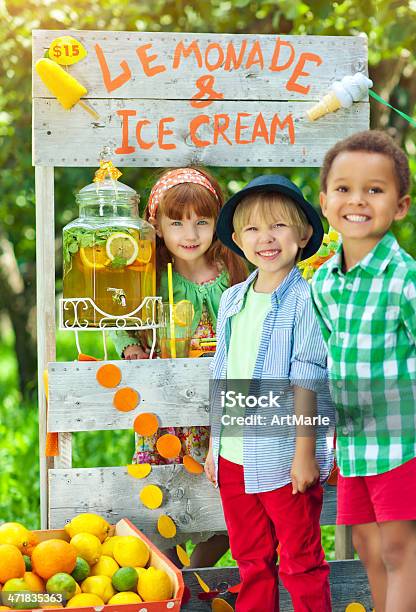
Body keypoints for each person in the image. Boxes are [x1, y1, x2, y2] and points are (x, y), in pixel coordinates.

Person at [311, 130, 416, 612]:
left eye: (374, 189)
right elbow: (331, 358)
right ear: (325, 201)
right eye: (344, 188)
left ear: (400, 205)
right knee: (369, 549)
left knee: (399, 549)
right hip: (356, 444)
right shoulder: (326, 284)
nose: (357, 200)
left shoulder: (408, 280)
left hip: (404, 439)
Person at [205, 175, 335, 611]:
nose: (267, 238)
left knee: (300, 560)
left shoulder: (307, 300)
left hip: (284, 456)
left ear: (303, 236)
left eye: (279, 226)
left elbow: (308, 377)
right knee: (250, 560)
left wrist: (305, 454)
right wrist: (215, 444)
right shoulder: (233, 300)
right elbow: (224, 371)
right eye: (254, 229)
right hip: (235, 458)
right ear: (238, 240)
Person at [111, 167, 248, 567]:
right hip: (165, 413)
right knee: (161, 498)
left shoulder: (232, 275)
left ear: (217, 223)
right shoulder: (149, 278)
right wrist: (131, 348)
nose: (190, 235)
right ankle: (172, 572)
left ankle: (190, 576)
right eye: (177, 223)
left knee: (224, 503)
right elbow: (123, 321)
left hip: (216, 413)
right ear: (157, 225)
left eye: (202, 222)